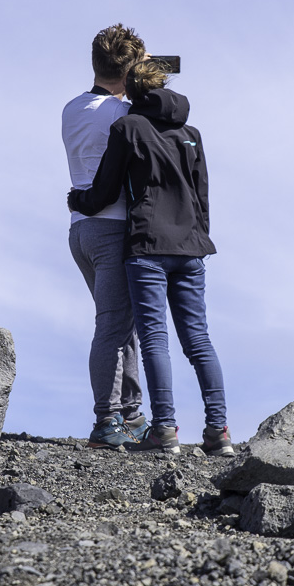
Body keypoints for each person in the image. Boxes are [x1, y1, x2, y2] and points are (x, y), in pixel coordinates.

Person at [67, 56, 232, 456]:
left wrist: (78, 200)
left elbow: (105, 191)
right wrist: (197, 238)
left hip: (147, 248)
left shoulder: (128, 127)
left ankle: (164, 431)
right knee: (199, 340)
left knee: (155, 338)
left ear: (133, 89)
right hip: (191, 249)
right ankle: (219, 431)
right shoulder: (190, 132)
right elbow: (202, 196)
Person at [63, 25, 150, 448]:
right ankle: (107, 420)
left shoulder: (71, 108)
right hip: (113, 228)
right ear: (131, 70)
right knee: (113, 326)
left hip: (81, 231)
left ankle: (131, 414)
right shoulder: (124, 115)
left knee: (121, 324)